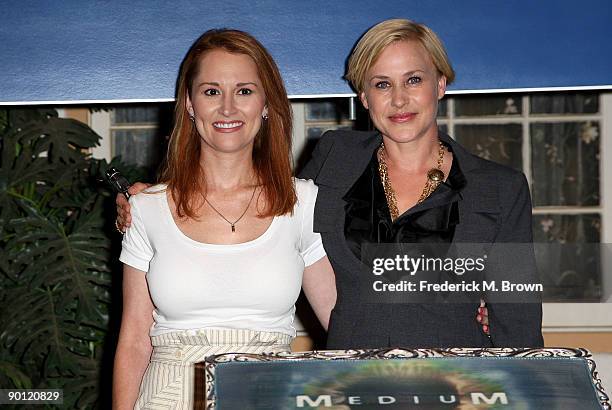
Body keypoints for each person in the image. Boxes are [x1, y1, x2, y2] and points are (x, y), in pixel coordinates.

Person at [112, 29, 336, 409]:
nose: (228, 108)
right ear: (189, 104)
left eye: (245, 91)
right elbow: (134, 339)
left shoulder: (304, 204)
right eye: (212, 91)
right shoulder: (146, 209)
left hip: (269, 397)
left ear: (266, 104)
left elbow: (344, 321)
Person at [297, 19, 543, 349]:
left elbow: (519, 322)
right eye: (382, 84)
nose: (399, 100)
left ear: (440, 84)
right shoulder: (334, 158)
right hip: (352, 384)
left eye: (413, 80)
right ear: (364, 97)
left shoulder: (500, 188)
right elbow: (284, 233)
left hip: (459, 386)